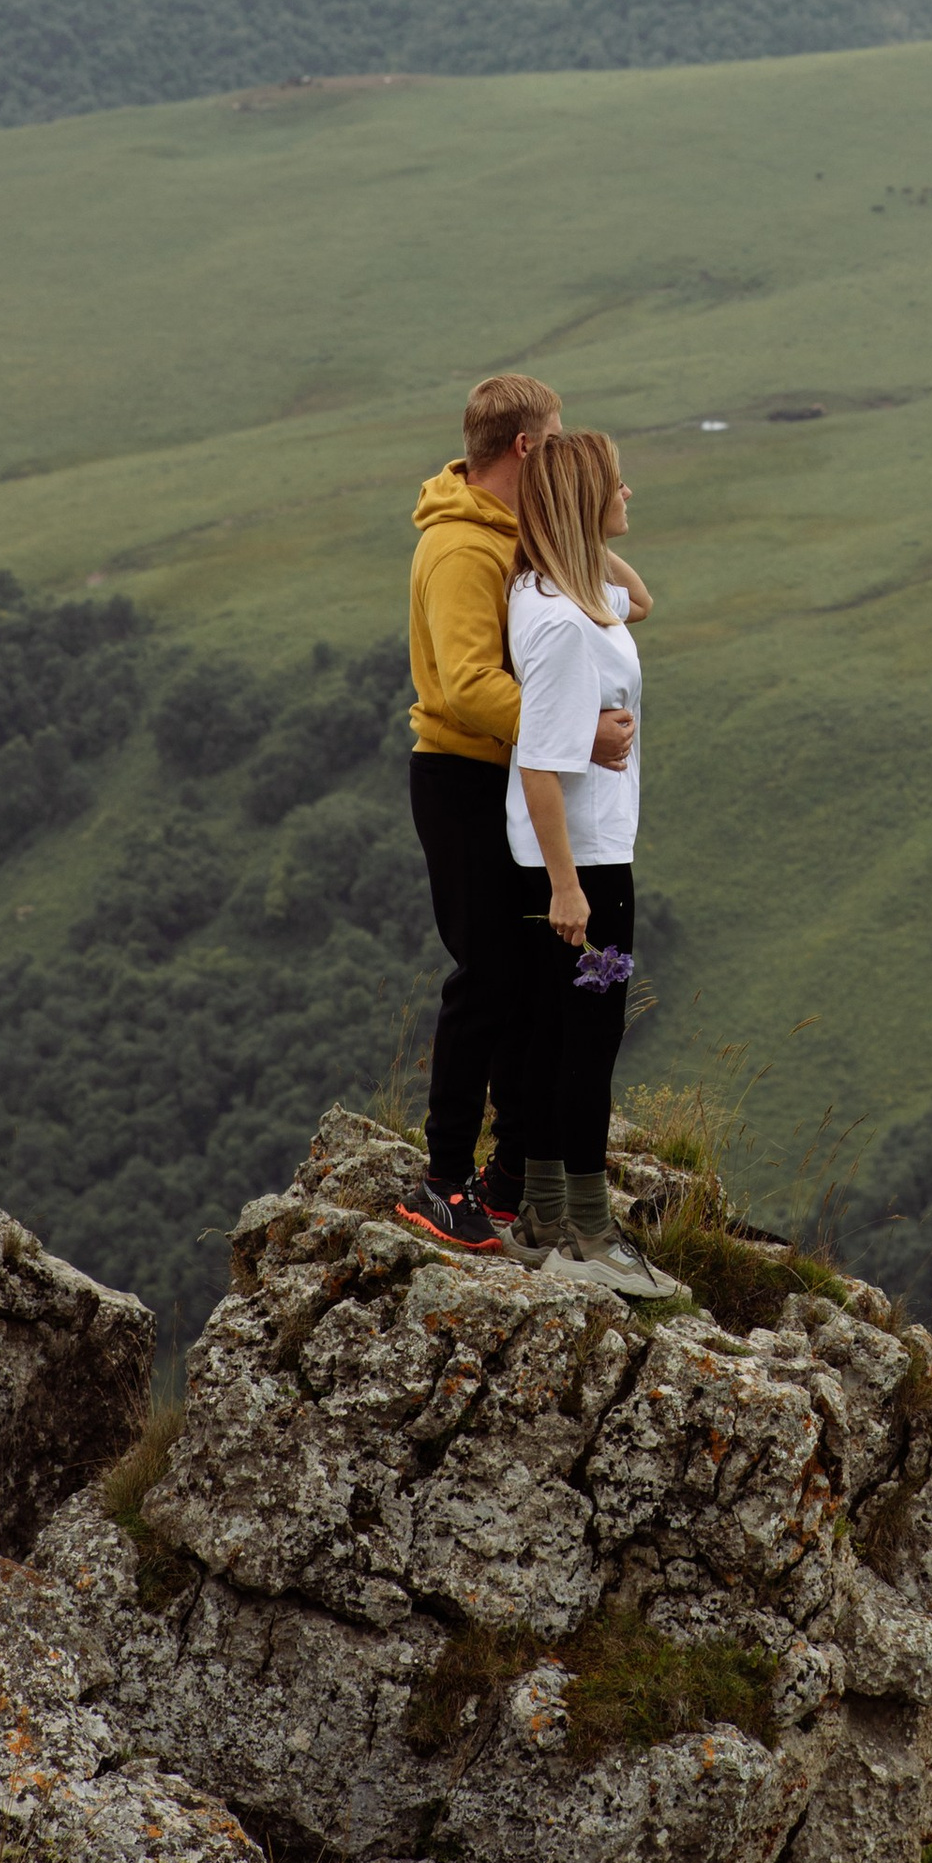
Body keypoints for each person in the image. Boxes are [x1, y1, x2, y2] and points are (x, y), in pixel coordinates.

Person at [398, 374, 644, 1252]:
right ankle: (442, 1181)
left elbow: (630, 599)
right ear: (528, 446)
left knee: (526, 983)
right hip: (462, 777)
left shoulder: (507, 532)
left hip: (502, 777)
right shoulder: (462, 549)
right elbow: (468, 685)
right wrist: (577, 734)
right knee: (488, 980)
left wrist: (575, 530)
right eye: (559, 435)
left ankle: (509, 1177)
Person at [503, 427, 675, 1293]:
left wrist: (581, 539)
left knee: (551, 1033)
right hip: (587, 866)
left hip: (555, 858)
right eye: (616, 484)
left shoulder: (546, 593)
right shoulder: (569, 626)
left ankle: (543, 1216)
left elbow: (639, 602)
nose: (629, 493)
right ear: (582, 503)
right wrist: (570, 888)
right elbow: (540, 763)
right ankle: (591, 1237)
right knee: (590, 1040)